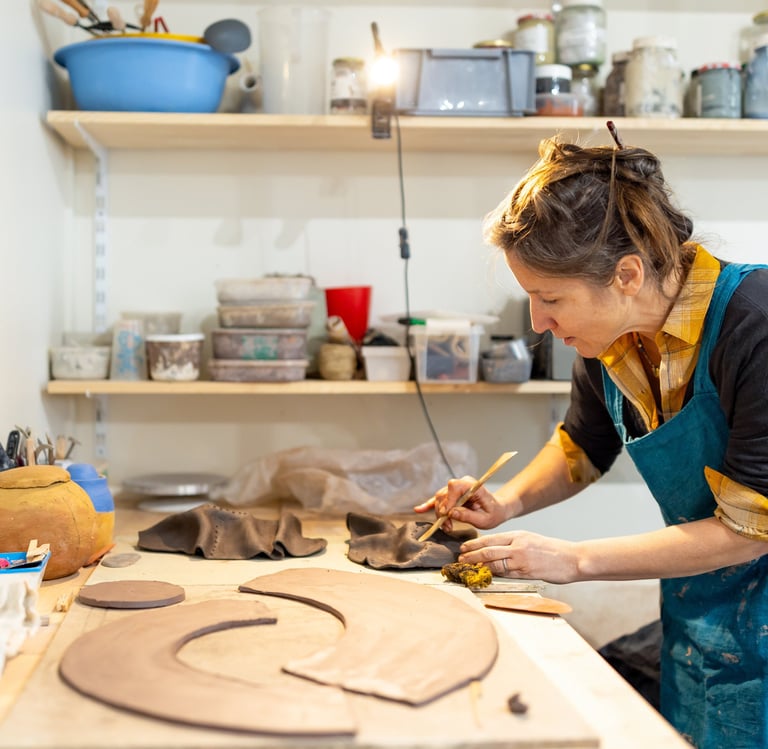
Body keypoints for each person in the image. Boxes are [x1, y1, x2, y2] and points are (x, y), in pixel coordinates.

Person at [415, 125, 768, 749]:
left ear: (627, 274)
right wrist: (506, 502)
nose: (538, 322)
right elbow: (582, 447)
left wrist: (573, 560)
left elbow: (749, 532)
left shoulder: (755, 326)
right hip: (700, 606)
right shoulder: (608, 340)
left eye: (549, 297)